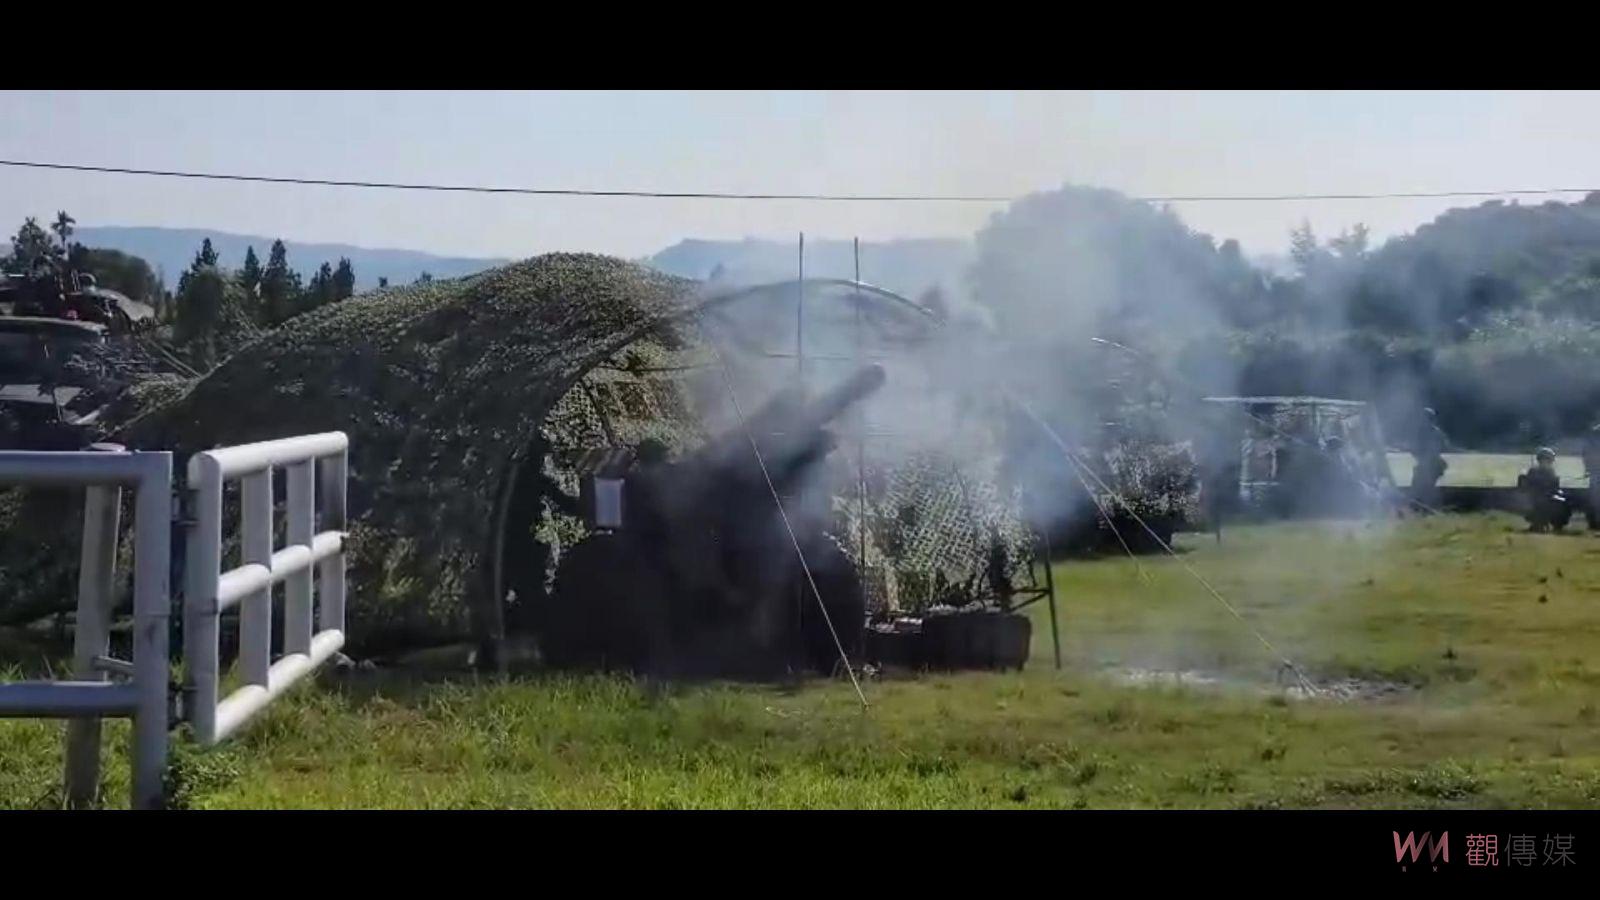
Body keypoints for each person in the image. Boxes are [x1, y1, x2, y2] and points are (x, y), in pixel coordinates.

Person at [1518, 447, 1572, 533]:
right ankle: (1538, 523)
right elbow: (1529, 487)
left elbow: (1555, 489)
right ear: (1540, 460)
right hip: (1537, 500)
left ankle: (1557, 525)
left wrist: (1559, 492)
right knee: (1548, 503)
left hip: (1548, 498)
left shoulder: (1551, 472)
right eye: (1545, 459)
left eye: (1549, 460)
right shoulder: (1533, 471)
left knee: (1565, 502)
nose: (1547, 462)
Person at [1409, 407, 1448, 511]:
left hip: (1432, 465)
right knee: (1418, 485)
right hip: (1424, 465)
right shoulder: (1421, 433)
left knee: (1426, 486)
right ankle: (1420, 507)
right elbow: (1415, 449)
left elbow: (1436, 450)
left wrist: (1424, 459)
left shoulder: (1435, 433)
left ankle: (1428, 507)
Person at [1585, 424, 1600, 531]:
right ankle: (1594, 522)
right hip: (1595, 473)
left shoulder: (1590, 443)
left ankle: (1594, 523)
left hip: (1594, 473)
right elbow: (1587, 457)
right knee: (1594, 499)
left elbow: (1586, 457)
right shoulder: (1591, 444)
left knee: (1594, 499)